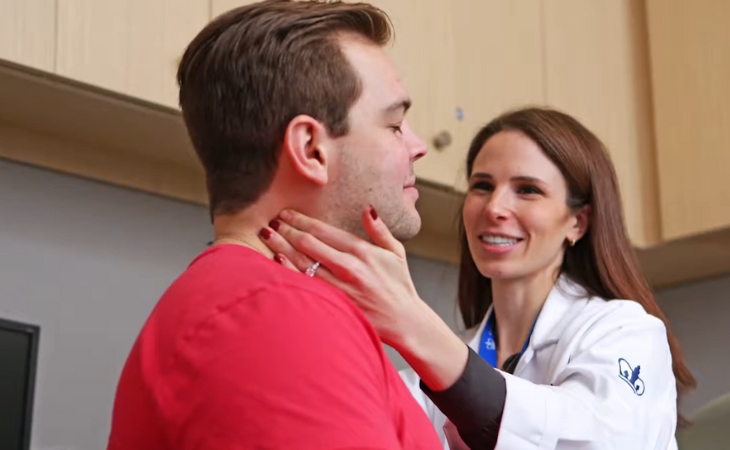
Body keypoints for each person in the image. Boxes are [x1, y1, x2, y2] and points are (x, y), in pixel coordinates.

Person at [106, 1, 443, 449]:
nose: (417, 146)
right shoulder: (276, 316)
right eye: (395, 125)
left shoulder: (247, 304)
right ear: (311, 149)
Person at [258, 106, 697, 449]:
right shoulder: (435, 371)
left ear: (578, 223)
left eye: (527, 190)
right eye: (482, 186)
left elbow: (597, 442)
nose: (494, 208)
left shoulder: (625, 332)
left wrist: (411, 322)